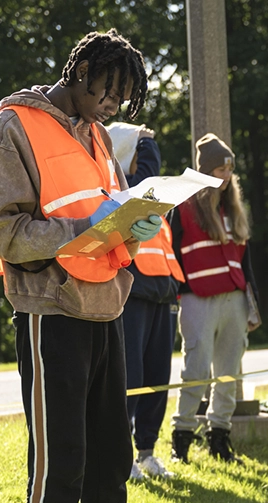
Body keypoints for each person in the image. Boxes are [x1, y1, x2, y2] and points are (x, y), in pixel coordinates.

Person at [0, 29, 163, 503]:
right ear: (79, 70)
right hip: (49, 310)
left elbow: (107, 213)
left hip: (105, 306)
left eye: (123, 98)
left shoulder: (101, 138)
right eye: (107, 90)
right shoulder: (13, 126)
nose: (112, 105)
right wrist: (84, 228)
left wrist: (136, 222)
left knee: (112, 456)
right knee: (64, 459)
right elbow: (4, 232)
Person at [168, 133, 257, 463]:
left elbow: (245, 263)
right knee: (196, 371)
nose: (226, 175)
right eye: (220, 169)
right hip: (197, 299)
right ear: (204, 171)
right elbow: (172, 252)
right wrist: (175, 293)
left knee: (229, 373)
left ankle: (219, 437)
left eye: (229, 169)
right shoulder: (184, 207)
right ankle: (182, 438)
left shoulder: (234, 209)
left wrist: (252, 304)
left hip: (234, 300)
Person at [106, 121, 181, 481]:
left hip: (162, 291)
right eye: (139, 148)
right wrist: (146, 140)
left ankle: (147, 451)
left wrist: (143, 141)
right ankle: (123, 456)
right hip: (133, 291)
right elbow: (148, 169)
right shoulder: (123, 189)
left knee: (158, 376)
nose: (148, 154)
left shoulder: (152, 195)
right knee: (131, 376)